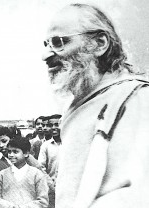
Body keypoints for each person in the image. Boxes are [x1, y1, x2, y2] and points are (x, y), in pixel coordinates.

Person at [42, 3, 149, 208]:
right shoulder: (78, 106)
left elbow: (139, 194)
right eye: (47, 44)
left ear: (100, 43)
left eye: (58, 42)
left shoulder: (137, 99)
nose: (46, 56)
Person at [0, 137, 49, 208]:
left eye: (15, 152)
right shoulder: (1, 175)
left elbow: (43, 201)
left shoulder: (37, 175)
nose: (11, 155)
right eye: (9, 152)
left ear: (26, 153)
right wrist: (9, 206)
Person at [0, 125, 41, 189]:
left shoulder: (26, 158)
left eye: (4, 141)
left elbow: (42, 178)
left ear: (12, 139)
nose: (1, 145)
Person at [38, 114, 62, 208]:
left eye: (57, 124)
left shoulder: (70, 143)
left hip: (67, 187)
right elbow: (41, 168)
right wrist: (50, 184)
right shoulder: (45, 146)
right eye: (51, 125)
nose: (54, 127)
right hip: (51, 190)